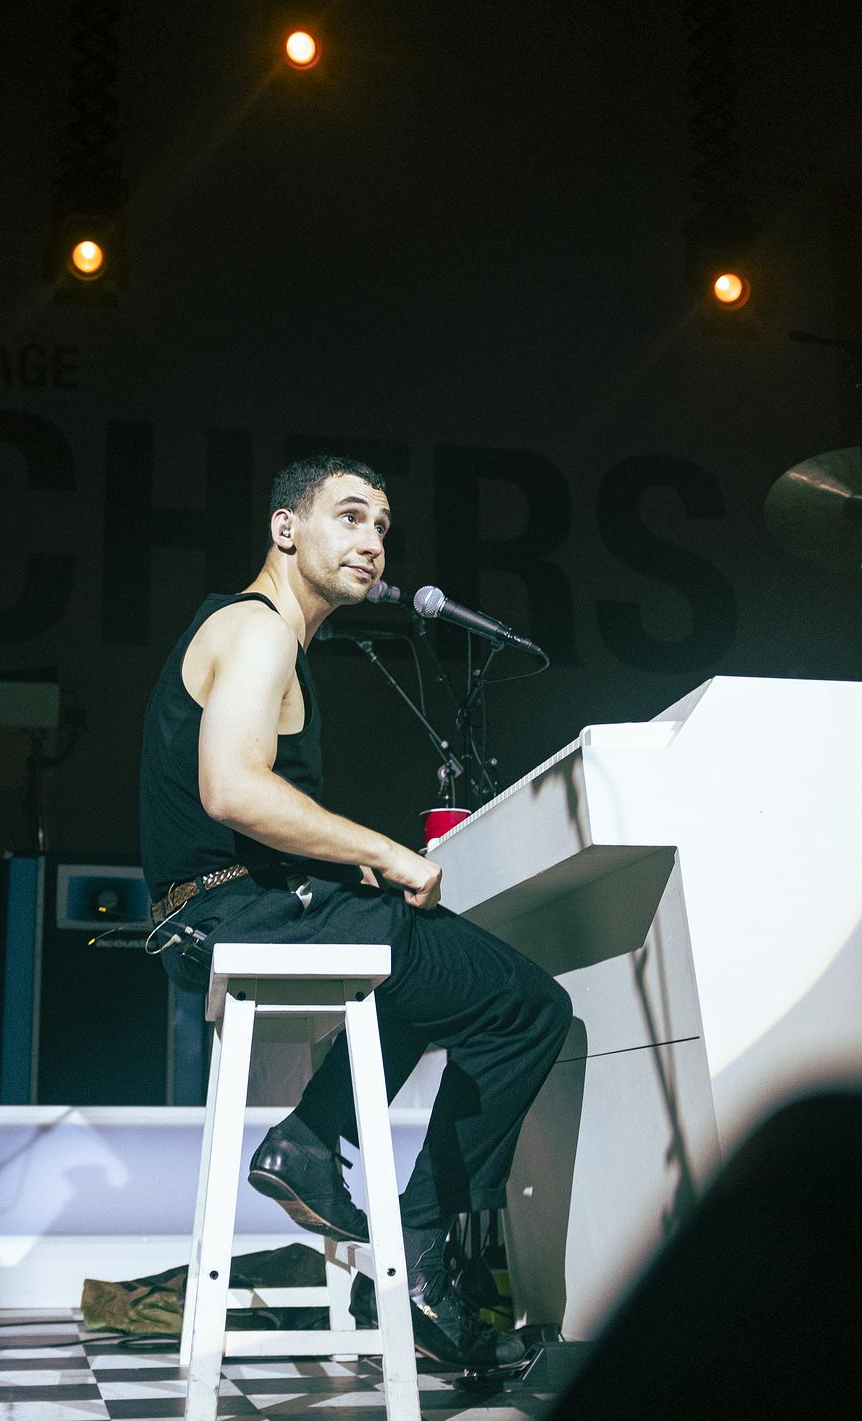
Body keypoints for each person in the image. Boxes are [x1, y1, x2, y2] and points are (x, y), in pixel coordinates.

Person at [139, 455, 573, 1368]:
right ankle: (419, 1251)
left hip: (214, 910)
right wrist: (382, 851)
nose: (372, 542)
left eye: (381, 527)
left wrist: (347, 866)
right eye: (348, 517)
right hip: (235, 912)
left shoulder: (263, 636)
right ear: (285, 529)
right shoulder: (257, 630)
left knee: (425, 978)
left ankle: (309, 1142)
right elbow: (232, 788)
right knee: (529, 1007)